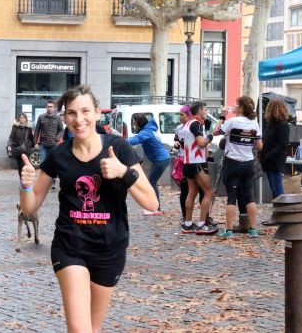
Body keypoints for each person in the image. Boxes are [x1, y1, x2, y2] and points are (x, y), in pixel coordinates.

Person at [19, 85, 158, 332]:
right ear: (65, 118)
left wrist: (123, 173)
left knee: (92, 328)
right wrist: (26, 185)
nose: (79, 119)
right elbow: (30, 208)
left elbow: (151, 203)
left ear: (96, 113)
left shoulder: (119, 149)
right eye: (71, 113)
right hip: (70, 247)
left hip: (110, 250)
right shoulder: (59, 155)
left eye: (85, 111)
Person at [213, 96, 263, 239]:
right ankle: (253, 229)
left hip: (233, 162)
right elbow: (259, 146)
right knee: (249, 197)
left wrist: (222, 116)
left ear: (240, 108)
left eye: (236, 104)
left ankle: (228, 230)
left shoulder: (232, 121)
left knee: (231, 198)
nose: (233, 106)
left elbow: (215, 131)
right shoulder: (254, 123)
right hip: (248, 163)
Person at [182, 101, 218, 235]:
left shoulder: (187, 124)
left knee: (192, 193)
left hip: (188, 162)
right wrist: (210, 136)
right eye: (205, 109)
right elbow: (201, 143)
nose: (206, 112)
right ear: (200, 110)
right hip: (197, 162)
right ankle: (202, 224)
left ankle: (188, 224)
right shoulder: (196, 124)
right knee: (209, 192)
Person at [128, 113, 171, 215]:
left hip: (161, 159)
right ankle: (155, 207)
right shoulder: (148, 130)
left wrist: (118, 141)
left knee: (151, 182)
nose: (134, 125)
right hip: (161, 159)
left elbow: (133, 140)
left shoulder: (145, 133)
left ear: (138, 123)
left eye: (134, 123)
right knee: (151, 182)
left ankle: (155, 208)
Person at [259, 99, 290, 199]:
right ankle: (278, 210)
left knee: (277, 188)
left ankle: (282, 210)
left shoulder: (282, 125)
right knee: (274, 187)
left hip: (274, 161)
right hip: (270, 161)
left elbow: (283, 144)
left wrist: (268, 155)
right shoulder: (273, 125)